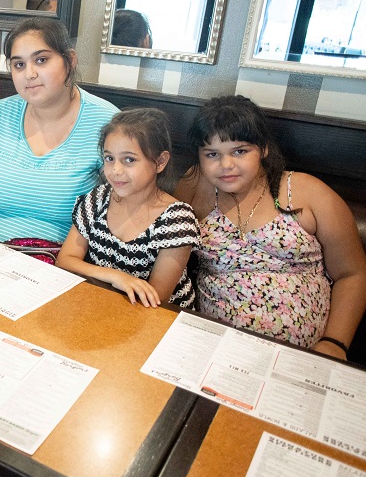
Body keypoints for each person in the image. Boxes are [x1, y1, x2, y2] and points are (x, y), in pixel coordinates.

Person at [175, 95, 366, 359]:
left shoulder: (308, 191)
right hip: (216, 349)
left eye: (240, 151)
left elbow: (353, 273)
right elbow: (168, 246)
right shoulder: (195, 185)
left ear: (263, 149)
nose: (226, 165)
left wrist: (335, 343)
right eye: (212, 154)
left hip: (303, 356)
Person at [0, 16, 119, 260]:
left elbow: (121, 213)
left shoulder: (107, 124)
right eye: (19, 64)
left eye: (41, 60)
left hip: (66, 265)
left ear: (70, 61)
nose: (29, 74)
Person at [57, 108, 198, 308]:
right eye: (109, 158)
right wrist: (116, 277)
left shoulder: (177, 219)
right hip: (102, 305)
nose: (115, 170)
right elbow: (65, 260)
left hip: (160, 316)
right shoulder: (98, 199)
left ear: (160, 162)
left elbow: (155, 300)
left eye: (129, 160)